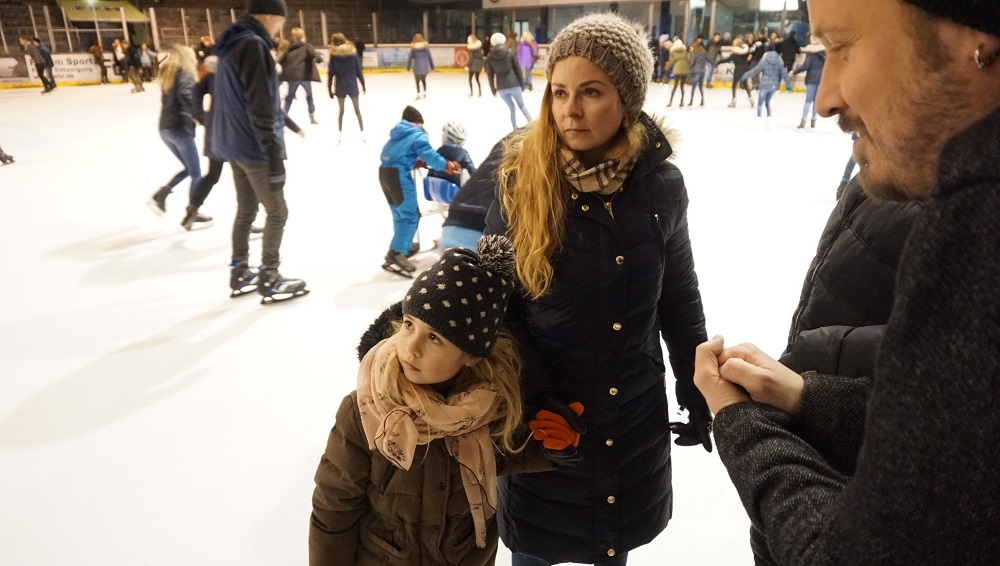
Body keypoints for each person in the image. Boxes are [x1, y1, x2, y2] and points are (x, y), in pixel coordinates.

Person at [694, 0, 1000, 564]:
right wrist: (804, 397)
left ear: (976, 36)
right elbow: (960, 443)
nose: (826, 97)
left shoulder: (978, 226)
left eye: (841, 47)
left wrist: (740, 422)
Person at [483, 12, 712, 565]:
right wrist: (536, 399)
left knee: (612, 545)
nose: (570, 110)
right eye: (559, 92)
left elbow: (678, 295)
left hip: (631, 418)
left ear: (627, 100)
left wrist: (696, 383)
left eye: (591, 92)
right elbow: (497, 311)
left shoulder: (661, 186)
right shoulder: (519, 181)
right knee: (536, 551)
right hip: (546, 424)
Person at [310, 236, 556, 565]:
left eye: (434, 338)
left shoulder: (486, 407)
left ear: (470, 355)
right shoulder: (366, 410)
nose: (411, 347)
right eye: (409, 325)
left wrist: (551, 447)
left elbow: (505, 453)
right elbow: (333, 510)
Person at [749, 173, 922, 565]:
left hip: (881, 455)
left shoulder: (969, 189)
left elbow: (971, 341)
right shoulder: (884, 163)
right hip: (821, 421)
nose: (825, 107)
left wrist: (819, 359)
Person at [212, 0, 309, 304]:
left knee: (246, 210)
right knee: (278, 212)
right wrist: (273, 153)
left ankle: (240, 270)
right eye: (279, 21)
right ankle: (270, 276)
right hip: (254, 146)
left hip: (232, 142)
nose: (280, 28)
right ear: (268, 15)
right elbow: (261, 105)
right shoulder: (253, 45)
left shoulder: (232, 41)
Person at [378, 106, 460, 276]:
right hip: (398, 175)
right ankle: (396, 253)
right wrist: (446, 165)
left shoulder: (398, 133)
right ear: (418, 122)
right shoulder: (417, 134)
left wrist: (414, 161)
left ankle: (404, 246)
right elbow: (429, 155)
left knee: (398, 213)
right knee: (411, 215)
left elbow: (395, 154)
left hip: (384, 173)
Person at [148, 45, 201, 218]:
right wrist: (198, 114)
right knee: (196, 173)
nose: (195, 60)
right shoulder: (185, 72)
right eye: (192, 56)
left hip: (165, 128)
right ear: (187, 57)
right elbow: (185, 94)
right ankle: (193, 212)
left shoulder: (169, 73)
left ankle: (162, 194)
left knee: (190, 168)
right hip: (179, 127)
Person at [485, 32, 531, 129]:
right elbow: (518, 69)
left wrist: (493, 90)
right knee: (522, 106)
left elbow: (490, 75)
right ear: (503, 41)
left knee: (512, 108)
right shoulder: (509, 52)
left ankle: (514, 127)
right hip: (514, 84)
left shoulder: (489, 56)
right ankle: (531, 123)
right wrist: (523, 85)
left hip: (501, 88)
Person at [327, 32, 366, 144]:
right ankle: (363, 134)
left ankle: (339, 136)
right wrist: (363, 84)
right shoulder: (352, 53)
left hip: (340, 85)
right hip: (352, 84)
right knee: (357, 111)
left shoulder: (334, 56)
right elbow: (358, 71)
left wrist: (329, 89)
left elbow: (331, 74)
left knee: (341, 111)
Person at [740, 45, 792, 128]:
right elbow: (784, 73)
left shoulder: (764, 60)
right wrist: (788, 85)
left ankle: (759, 118)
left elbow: (755, 70)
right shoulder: (778, 61)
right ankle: (769, 118)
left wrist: (745, 76)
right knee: (767, 102)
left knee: (760, 103)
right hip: (774, 86)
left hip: (764, 85)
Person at [279, 27, 321, 124]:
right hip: (304, 76)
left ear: (294, 37)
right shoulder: (307, 46)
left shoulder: (289, 48)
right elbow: (314, 55)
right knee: (309, 96)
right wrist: (319, 59)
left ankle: (283, 118)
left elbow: (281, 60)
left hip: (293, 76)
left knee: (290, 97)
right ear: (303, 36)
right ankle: (312, 117)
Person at [427, 121, 477, 187]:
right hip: (457, 190)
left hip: (437, 189)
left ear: (445, 136)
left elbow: (430, 173)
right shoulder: (464, 154)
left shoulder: (438, 154)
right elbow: (473, 173)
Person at [792, 36, 826, 129]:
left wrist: (794, 71)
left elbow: (806, 66)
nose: (811, 40)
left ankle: (803, 121)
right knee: (816, 101)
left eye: (813, 39)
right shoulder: (825, 51)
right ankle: (813, 120)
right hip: (821, 79)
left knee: (808, 101)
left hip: (811, 79)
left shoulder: (810, 51)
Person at [718, 37, 754, 107]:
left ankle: (733, 101)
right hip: (746, 68)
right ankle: (751, 98)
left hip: (739, 69)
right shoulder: (745, 52)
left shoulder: (735, 53)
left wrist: (718, 62)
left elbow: (727, 60)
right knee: (745, 84)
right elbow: (749, 58)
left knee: (734, 85)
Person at [664, 37, 690, 107]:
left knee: (675, 86)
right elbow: (688, 59)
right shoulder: (685, 50)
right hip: (685, 69)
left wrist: (666, 68)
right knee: (682, 86)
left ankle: (670, 102)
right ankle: (682, 102)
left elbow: (671, 61)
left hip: (678, 69)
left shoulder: (673, 51)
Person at [407, 33, 433, 100]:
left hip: (417, 66)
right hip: (425, 66)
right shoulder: (426, 46)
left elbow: (410, 58)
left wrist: (408, 67)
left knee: (417, 81)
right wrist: (432, 67)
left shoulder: (413, 47)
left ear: (414, 39)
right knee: (423, 80)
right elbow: (429, 57)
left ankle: (418, 95)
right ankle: (424, 93)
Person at [688, 40, 708, 106]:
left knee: (693, 87)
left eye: (692, 47)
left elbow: (692, 63)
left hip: (696, 71)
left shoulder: (694, 54)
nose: (691, 48)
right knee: (700, 87)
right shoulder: (704, 53)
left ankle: (691, 100)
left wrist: (689, 68)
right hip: (703, 71)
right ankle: (702, 100)